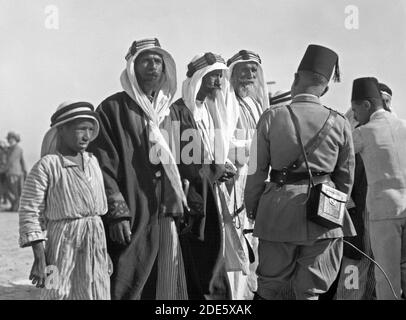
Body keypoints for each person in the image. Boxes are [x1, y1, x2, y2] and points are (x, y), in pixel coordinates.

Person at [245, 44, 356, 300]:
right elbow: (346, 177)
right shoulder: (339, 122)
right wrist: (333, 206)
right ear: (325, 89)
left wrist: (253, 209)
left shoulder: (271, 117)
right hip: (324, 217)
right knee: (310, 290)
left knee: (271, 288)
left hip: (277, 212)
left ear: (295, 79)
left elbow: (256, 171)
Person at [88, 38, 188, 300]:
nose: (152, 66)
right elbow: (102, 165)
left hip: (167, 211)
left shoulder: (172, 113)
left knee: (164, 278)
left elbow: (182, 161)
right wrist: (117, 213)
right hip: (132, 209)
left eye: (158, 60)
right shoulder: (112, 109)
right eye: (145, 60)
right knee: (128, 276)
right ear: (132, 67)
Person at [18, 101, 110, 300]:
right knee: (56, 292)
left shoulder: (93, 162)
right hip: (61, 245)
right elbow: (29, 211)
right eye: (80, 129)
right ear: (62, 130)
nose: (87, 136)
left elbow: (97, 211)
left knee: (97, 291)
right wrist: (40, 258)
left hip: (95, 242)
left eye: (90, 129)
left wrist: (103, 250)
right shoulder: (47, 166)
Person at [171, 52, 240, 299]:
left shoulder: (210, 112)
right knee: (200, 260)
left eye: (221, 76)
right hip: (194, 201)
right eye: (213, 77)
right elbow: (183, 162)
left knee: (214, 256)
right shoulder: (177, 113)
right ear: (198, 79)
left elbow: (212, 152)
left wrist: (222, 167)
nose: (219, 83)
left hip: (213, 196)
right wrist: (213, 171)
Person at [351, 77, 406, 300]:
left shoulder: (365, 132)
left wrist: (349, 121)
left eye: (355, 109)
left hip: (384, 212)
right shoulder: (403, 125)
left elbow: (339, 150)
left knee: (386, 276)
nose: (355, 115)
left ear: (366, 105)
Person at [225, 50, 270, 299]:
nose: (249, 75)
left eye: (253, 70)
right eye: (243, 70)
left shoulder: (254, 103)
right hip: (234, 183)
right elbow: (222, 145)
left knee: (253, 244)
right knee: (235, 247)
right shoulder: (226, 102)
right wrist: (252, 148)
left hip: (255, 182)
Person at [5, 131, 27, 211]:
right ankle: (14, 206)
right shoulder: (11, 148)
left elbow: (10, 161)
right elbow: (22, 161)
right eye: (9, 138)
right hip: (13, 173)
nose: (9, 140)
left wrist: (2, 170)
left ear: (15, 139)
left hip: (14, 173)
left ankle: (16, 207)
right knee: (10, 191)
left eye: (11, 138)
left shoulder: (17, 149)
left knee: (14, 191)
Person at [0, 140, 9, 207]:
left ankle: (4, 199)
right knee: (4, 185)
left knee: (3, 186)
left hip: (2, 171)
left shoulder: (2, 152)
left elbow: (3, 162)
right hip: (5, 170)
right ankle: (5, 199)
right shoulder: (6, 151)